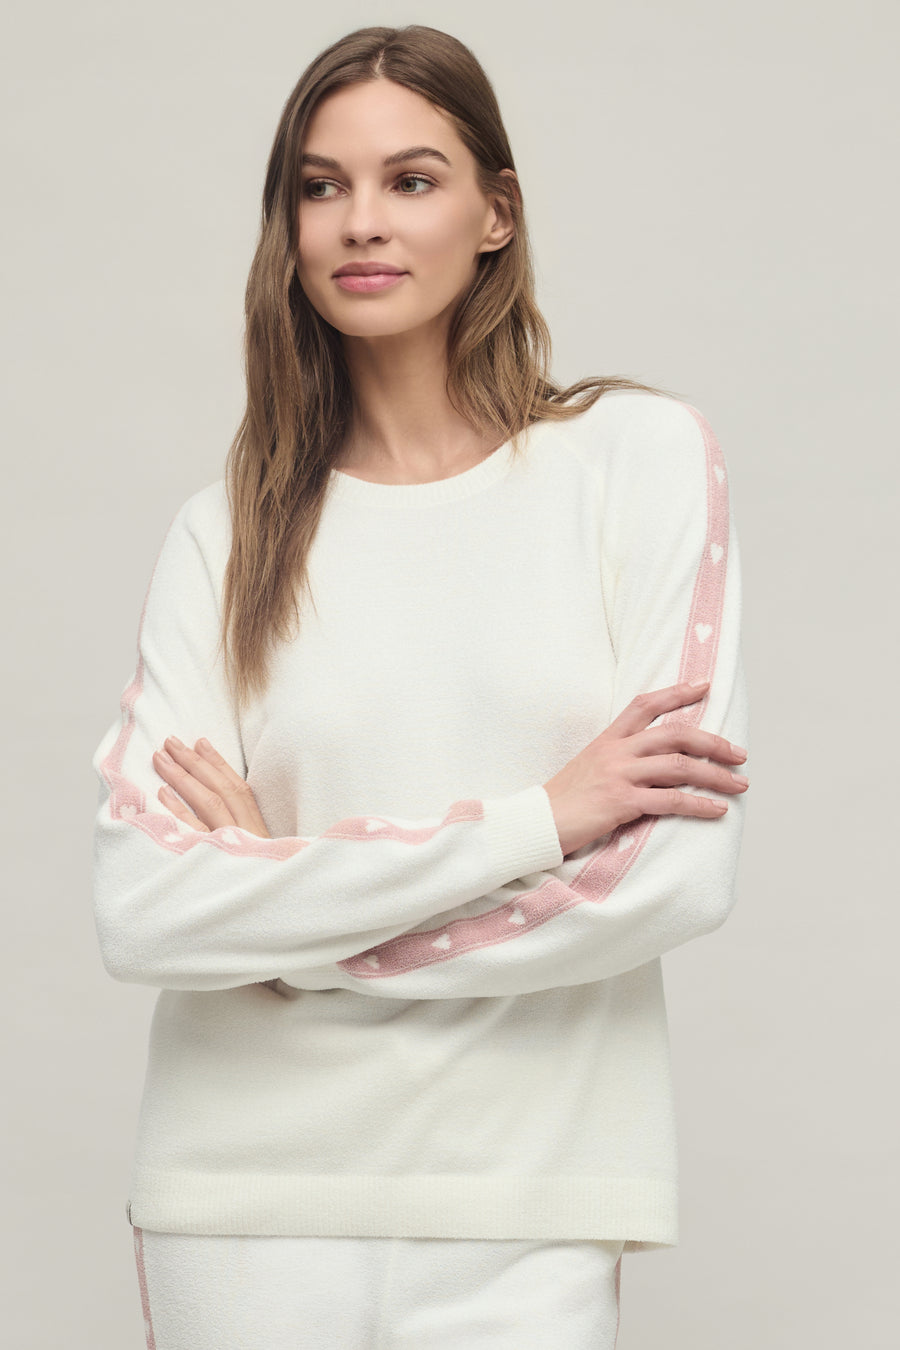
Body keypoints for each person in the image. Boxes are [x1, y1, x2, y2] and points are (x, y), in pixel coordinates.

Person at [90, 23, 750, 1350]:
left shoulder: (636, 464)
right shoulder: (223, 535)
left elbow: (672, 878)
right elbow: (145, 912)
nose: (361, 222)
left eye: (411, 179)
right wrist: (540, 820)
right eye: (321, 185)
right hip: (242, 1192)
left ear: (495, 212)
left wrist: (281, 911)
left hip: (532, 1189)